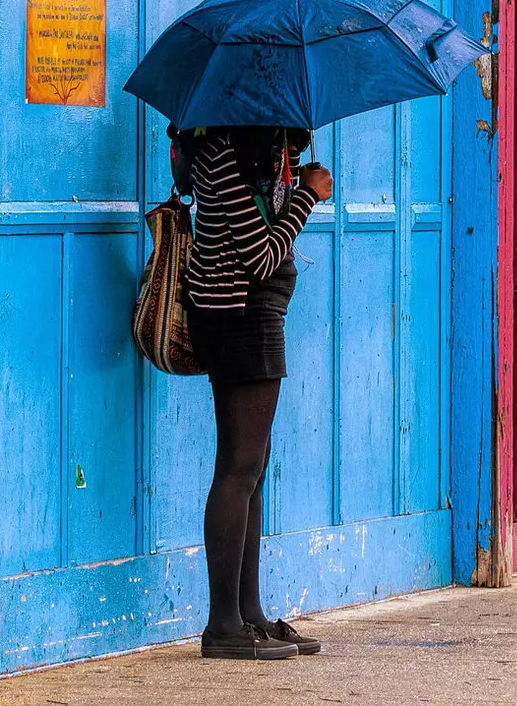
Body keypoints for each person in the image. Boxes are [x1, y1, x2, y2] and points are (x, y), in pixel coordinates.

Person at [173, 124, 332, 661]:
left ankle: (247, 614)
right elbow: (261, 256)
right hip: (239, 315)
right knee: (239, 467)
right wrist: (307, 196)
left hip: (252, 314)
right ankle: (222, 625)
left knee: (251, 468)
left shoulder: (261, 151)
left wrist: (291, 169)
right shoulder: (223, 151)